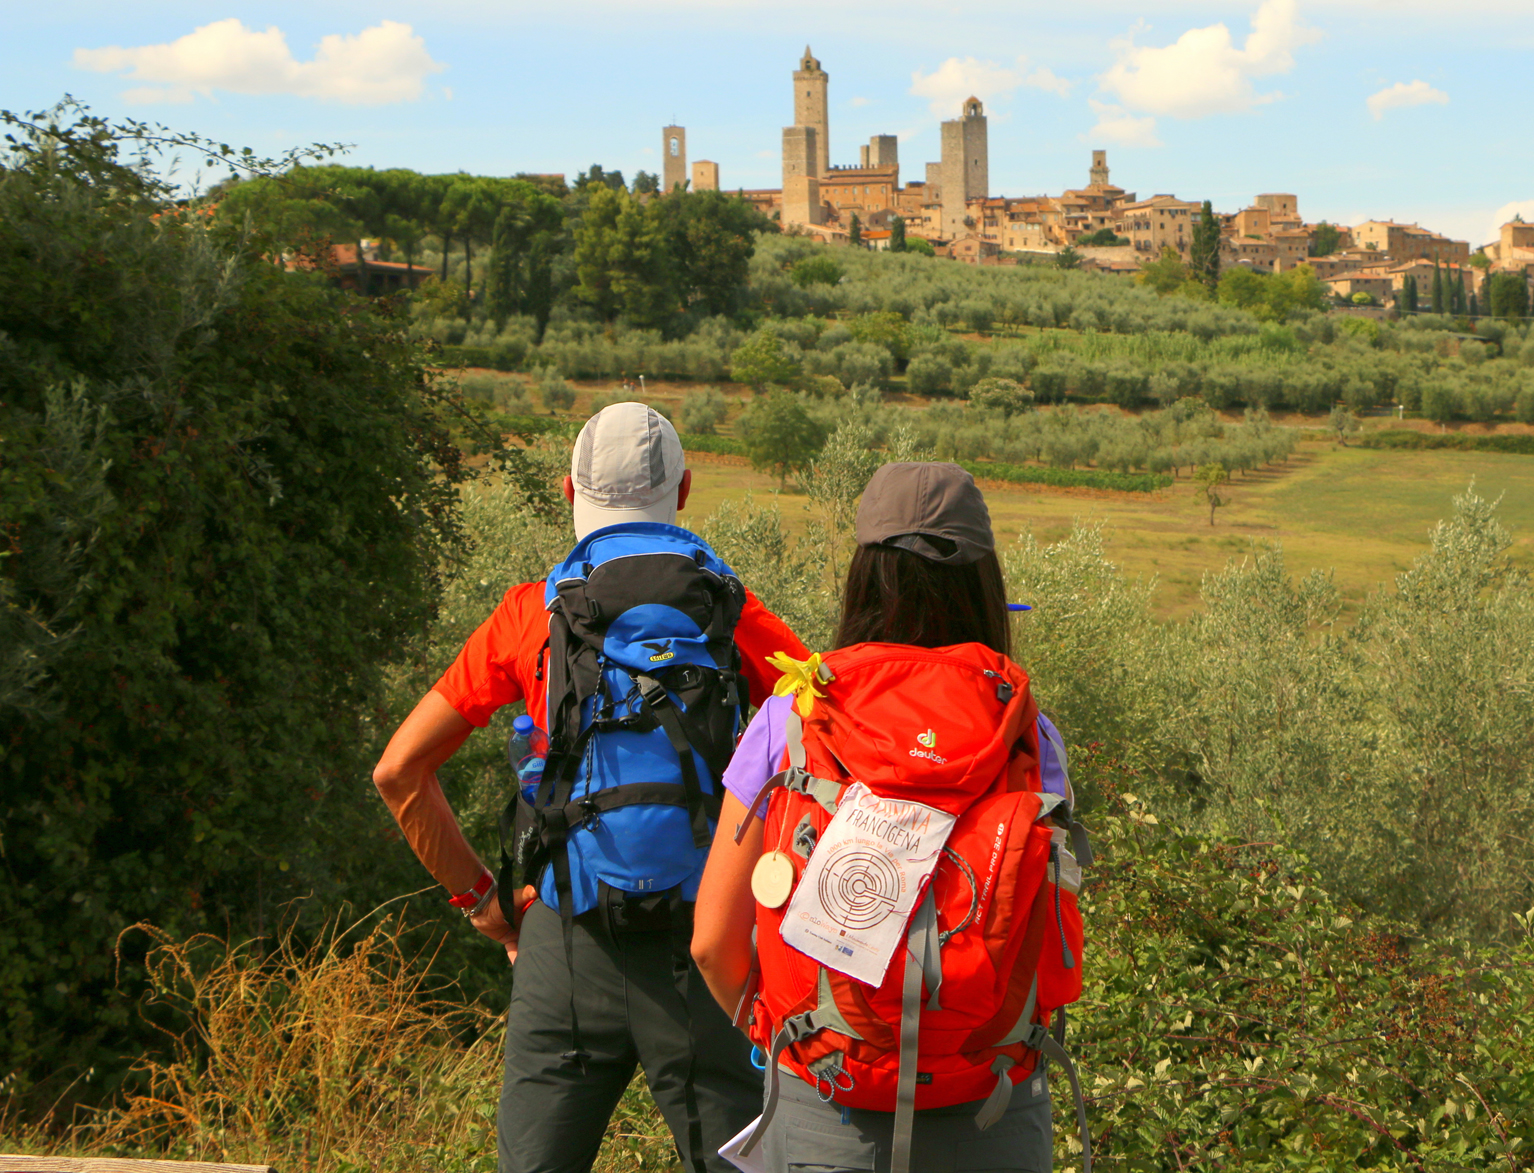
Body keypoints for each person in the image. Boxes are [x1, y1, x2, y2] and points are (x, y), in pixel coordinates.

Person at [373, 402, 807, 1173]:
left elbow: (399, 770)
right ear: (683, 492)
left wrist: (484, 903)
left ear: (569, 491)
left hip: (566, 943)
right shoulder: (735, 621)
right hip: (704, 948)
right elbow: (840, 751)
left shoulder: (528, 618)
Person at [691, 461, 1086, 1173]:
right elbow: (1048, 943)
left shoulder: (792, 717)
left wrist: (787, 1037)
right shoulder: (1029, 735)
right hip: (994, 1117)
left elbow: (713, 944)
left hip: (826, 1118)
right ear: (986, 585)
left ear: (863, 576)